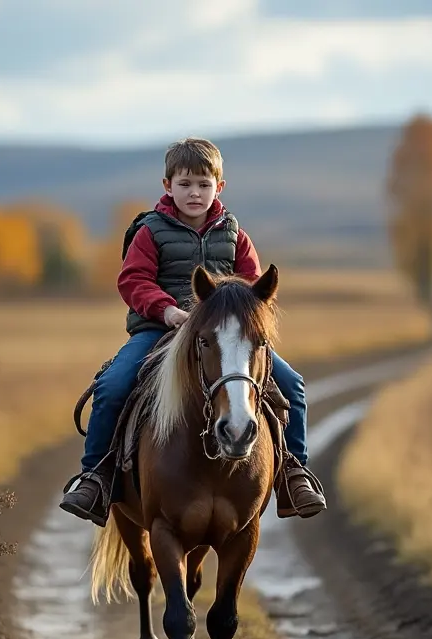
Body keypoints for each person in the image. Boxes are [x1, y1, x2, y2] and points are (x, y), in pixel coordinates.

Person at [60, 137, 326, 526]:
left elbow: (253, 285)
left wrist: (242, 313)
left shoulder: (234, 233)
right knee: (113, 385)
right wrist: (166, 310)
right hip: (159, 331)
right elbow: (132, 280)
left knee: (293, 385)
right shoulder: (150, 231)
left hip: (224, 339)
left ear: (219, 187)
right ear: (167, 186)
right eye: (185, 184)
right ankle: (96, 477)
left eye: (203, 184)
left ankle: (292, 471)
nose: (194, 193)